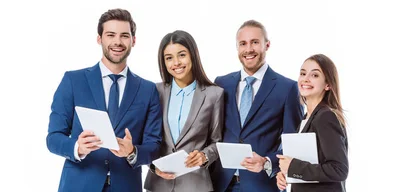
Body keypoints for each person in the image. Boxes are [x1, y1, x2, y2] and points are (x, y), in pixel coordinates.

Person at [46, 8, 162, 192]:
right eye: (110, 35)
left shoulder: (148, 90)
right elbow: (53, 138)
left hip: (126, 186)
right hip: (78, 185)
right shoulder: (73, 81)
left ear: (134, 40)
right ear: (99, 38)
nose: (117, 42)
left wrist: (132, 152)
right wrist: (77, 147)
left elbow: (154, 146)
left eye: (124, 35)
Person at [211, 20, 303, 192]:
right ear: (237, 48)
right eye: (243, 44)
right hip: (222, 184)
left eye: (255, 42)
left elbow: (293, 142)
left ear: (267, 45)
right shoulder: (221, 84)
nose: (248, 49)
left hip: (263, 185)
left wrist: (267, 162)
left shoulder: (288, 88)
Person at [144, 30, 224, 192]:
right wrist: (153, 166)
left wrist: (204, 155)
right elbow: (145, 140)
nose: (176, 63)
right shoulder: (154, 91)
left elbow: (218, 141)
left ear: (193, 55)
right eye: (169, 58)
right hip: (159, 184)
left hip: (196, 184)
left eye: (181, 55)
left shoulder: (214, 94)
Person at [276, 54, 349, 192]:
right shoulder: (306, 118)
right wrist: (287, 174)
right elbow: (310, 163)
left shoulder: (326, 116)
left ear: (327, 84)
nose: (306, 79)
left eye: (314, 75)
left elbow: (339, 169)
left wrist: (293, 167)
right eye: (303, 73)